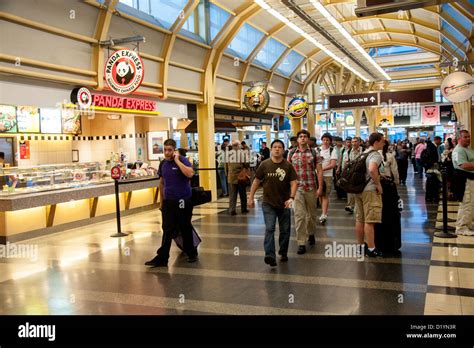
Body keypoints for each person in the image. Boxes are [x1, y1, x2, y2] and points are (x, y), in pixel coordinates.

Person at [145, 139, 197, 267]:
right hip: (169, 201)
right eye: (165, 150)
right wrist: (161, 202)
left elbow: (190, 174)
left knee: (184, 226)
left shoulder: (183, 160)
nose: (167, 153)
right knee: (167, 229)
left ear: (174, 150)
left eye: (169, 150)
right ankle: (162, 257)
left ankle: (191, 252)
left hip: (182, 200)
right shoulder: (163, 164)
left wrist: (177, 161)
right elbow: (162, 183)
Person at [248, 139, 298, 266]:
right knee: (270, 228)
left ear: (283, 150)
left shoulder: (288, 165)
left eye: (279, 147)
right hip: (268, 203)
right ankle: (270, 255)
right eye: (274, 147)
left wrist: (291, 198)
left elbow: (294, 183)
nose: (277, 149)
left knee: (285, 230)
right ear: (271, 150)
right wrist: (250, 197)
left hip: (285, 203)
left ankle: (283, 252)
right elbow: (256, 181)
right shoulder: (265, 164)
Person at [287, 130, 323, 255]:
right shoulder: (291, 153)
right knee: (299, 216)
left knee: (311, 215)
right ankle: (301, 242)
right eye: (300, 136)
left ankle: (311, 233)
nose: (302, 138)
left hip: (311, 188)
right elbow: (288, 171)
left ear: (308, 139)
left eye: (305, 136)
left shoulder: (314, 152)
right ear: (297, 140)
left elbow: (319, 170)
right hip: (297, 190)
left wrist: (320, 187)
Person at [354, 132, 385, 257]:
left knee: (360, 219)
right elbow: (372, 169)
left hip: (359, 189)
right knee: (370, 220)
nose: (384, 143)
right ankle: (371, 249)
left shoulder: (364, 153)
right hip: (370, 190)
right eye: (382, 141)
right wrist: (378, 184)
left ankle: (361, 246)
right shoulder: (375, 155)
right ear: (376, 142)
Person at [452, 130, 474, 236]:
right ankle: (461, 227)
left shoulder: (467, 149)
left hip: (471, 180)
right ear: (459, 138)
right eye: (465, 137)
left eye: (469, 136)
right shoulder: (458, 151)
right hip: (464, 180)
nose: (468, 139)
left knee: (471, 204)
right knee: (466, 203)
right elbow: (463, 165)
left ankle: (468, 223)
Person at [318, 133, 338, 224]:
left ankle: (324, 214)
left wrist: (322, 169)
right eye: (324, 140)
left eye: (327, 140)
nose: (325, 141)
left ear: (330, 141)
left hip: (327, 176)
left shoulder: (332, 150)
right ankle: (323, 211)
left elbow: (333, 164)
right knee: (320, 194)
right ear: (321, 140)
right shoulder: (317, 149)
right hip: (317, 176)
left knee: (325, 194)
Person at [227, 141, 249, 215]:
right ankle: (244, 208)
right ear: (238, 145)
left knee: (232, 195)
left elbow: (225, 166)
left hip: (231, 177)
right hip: (240, 177)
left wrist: (228, 174)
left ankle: (232, 210)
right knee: (242, 194)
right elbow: (247, 164)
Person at [345, 137, 362, 213]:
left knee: (358, 190)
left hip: (360, 173)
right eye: (352, 142)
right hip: (351, 173)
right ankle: (350, 205)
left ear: (359, 142)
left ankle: (357, 206)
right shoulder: (348, 152)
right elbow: (346, 162)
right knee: (350, 189)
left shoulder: (363, 151)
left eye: (355, 142)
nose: (354, 143)